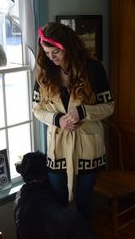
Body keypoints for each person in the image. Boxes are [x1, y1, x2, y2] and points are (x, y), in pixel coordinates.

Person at [32, 21, 114, 222]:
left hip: (88, 145)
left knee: (84, 201)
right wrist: (58, 119)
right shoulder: (44, 72)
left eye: (56, 53)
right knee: (58, 198)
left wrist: (83, 111)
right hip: (58, 146)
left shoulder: (94, 69)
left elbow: (109, 106)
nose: (51, 58)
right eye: (47, 52)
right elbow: (37, 109)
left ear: (68, 47)